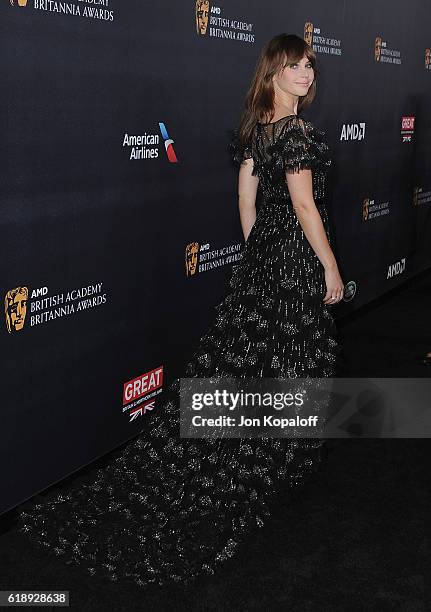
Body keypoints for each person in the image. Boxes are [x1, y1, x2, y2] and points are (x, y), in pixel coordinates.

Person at [18, 33, 344, 588]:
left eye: (309, 65)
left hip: (263, 260)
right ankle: (273, 462)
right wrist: (330, 268)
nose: (307, 74)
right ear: (272, 73)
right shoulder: (295, 132)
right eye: (295, 67)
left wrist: (257, 253)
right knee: (293, 357)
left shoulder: (254, 128)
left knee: (245, 361)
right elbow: (305, 204)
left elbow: (245, 201)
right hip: (293, 261)